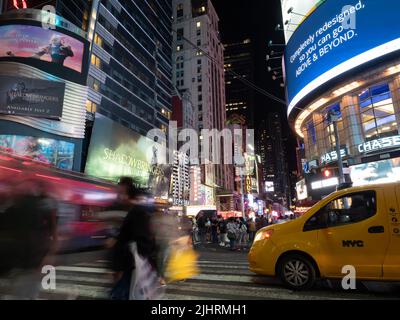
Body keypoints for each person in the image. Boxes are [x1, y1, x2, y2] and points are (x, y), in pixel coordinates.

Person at [0, 178, 57, 299]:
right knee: (28, 292)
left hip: (19, 262)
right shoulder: (42, 206)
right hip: (31, 262)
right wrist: (48, 255)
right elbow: (51, 232)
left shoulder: (12, 207)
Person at [110, 187, 158, 300]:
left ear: (130, 196)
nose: (119, 196)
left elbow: (142, 241)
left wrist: (120, 266)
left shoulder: (136, 212)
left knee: (122, 294)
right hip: (133, 265)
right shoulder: (138, 212)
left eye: (122, 193)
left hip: (132, 265)